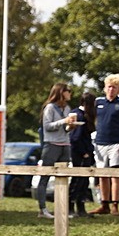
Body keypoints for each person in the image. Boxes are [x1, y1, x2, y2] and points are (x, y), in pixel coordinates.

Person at [90, 74, 119, 215]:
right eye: (109, 87)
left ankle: (115, 204)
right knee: (102, 175)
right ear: (105, 88)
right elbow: (91, 119)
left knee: (115, 174)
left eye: (114, 87)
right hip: (100, 142)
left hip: (116, 143)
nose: (111, 90)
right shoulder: (98, 102)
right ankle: (104, 204)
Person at [35, 82, 78, 219]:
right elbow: (47, 126)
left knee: (63, 177)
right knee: (45, 177)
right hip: (51, 145)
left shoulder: (67, 108)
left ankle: (61, 209)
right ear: (61, 92)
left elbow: (64, 129)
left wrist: (70, 126)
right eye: (68, 91)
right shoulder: (50, 108)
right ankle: (42, 209)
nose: (70, 93)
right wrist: (64, 121)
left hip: (65, 144)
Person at [69, 92, 97, 217]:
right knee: (77, 180)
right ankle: (70, 206)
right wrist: (84, 152)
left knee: (84, 181)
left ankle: (81, 207)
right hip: (80, 153)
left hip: (86, 151)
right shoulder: (79, 115)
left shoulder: (84, 115)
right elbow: (75, 138)